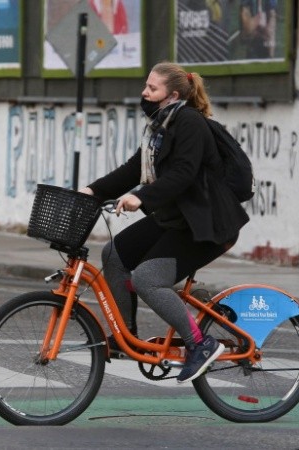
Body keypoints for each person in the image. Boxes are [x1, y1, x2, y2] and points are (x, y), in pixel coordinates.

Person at [78, 61, 249, 383]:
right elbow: (133, 168)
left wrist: (142, 197)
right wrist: (92, 191)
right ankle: (123, 335)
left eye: (152, 88)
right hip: (176, 218)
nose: (144, 93)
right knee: (114, 255)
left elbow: (183, 173)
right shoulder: (161, 126)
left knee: (147, 279)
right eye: (146, 85)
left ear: (171, 94)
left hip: (207, 225)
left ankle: (200, 343)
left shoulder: (190, 123)